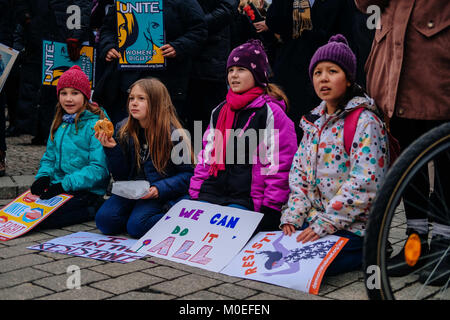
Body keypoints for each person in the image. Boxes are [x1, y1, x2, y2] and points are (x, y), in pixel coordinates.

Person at [355, 0, 450, 285]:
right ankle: (415, 241)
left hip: (437, 66)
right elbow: (365, 4)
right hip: (395, 70)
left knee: (445, 162)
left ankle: (445, 243)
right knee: (407, 164)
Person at [279, 34, 389, 276]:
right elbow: (299, 176)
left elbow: (366, 184)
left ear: (349, 79)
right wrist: (294, 216)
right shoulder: (312, 123)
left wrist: (326, 223)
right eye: (317, 73)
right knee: (279, 257)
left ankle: (374, 250)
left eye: (332, 71)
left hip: (356, 228)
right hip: (319, 223)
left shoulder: (365, 122)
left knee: (304, 267)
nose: (324, 78)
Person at [189, 39, 298, 233]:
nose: (234, 75)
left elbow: (279, 164)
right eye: (231, 70)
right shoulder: (220, 110)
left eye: (241, 69)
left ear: (257, 74)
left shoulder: (270, 112)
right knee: (190, 229)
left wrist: (271, 207)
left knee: (222, 234)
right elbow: (207, 156)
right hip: (214, 190)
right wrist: (196, 193)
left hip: (247, 198)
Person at [95, 77, 194, 239]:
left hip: (161, 192)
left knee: (137, 227)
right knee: (104, 221)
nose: (134, 103)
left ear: (157, 103)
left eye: (141, 99)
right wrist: (112, 149)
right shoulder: (123, 129)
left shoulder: (175, 135)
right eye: (132, 98)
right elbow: (121, 176)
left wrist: (158, 190)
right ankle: (137, 214)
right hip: (134, 190)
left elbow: (188, 175)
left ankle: (176, 213)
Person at [93, 0, 207, 126]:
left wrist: (178, 47)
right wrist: (109, 47)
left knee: (165, 135)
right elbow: (108, 29)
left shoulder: (183, 3)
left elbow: (199, 29)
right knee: (127, 135)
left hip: (168, 83)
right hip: (129, 83)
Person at [29, 66, 110, 229]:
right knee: (29, 213)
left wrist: (65, 184)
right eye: (63, 93)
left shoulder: (97, 125)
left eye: (75, 93)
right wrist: (43, 176)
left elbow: (98, 169)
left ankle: (93, 208)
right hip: (60, 186)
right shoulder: (60, 122)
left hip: (86, 191)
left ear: (85, 96)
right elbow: (49, 157)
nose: (68, 99)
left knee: (44, 219)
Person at [265, 0, 358, 141]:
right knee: (288, 133)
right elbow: (273, 22)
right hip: (290, 71)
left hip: (324, 73)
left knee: (321, 132)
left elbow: (347, 34)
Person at [13, 0, 92, 145]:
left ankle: (60, 130)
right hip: (40, 35)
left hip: (63, 36)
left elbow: (81, 6)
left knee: (61, 86)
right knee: (41, 85)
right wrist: (26, 19)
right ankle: (42, 130)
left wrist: (76, 34)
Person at [185, 0, 237, 137]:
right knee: (188, 120)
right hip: (180, 58)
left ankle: (214, 156)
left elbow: (226, 10)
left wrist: (195, 25)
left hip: (210, 58)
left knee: (213, 119)